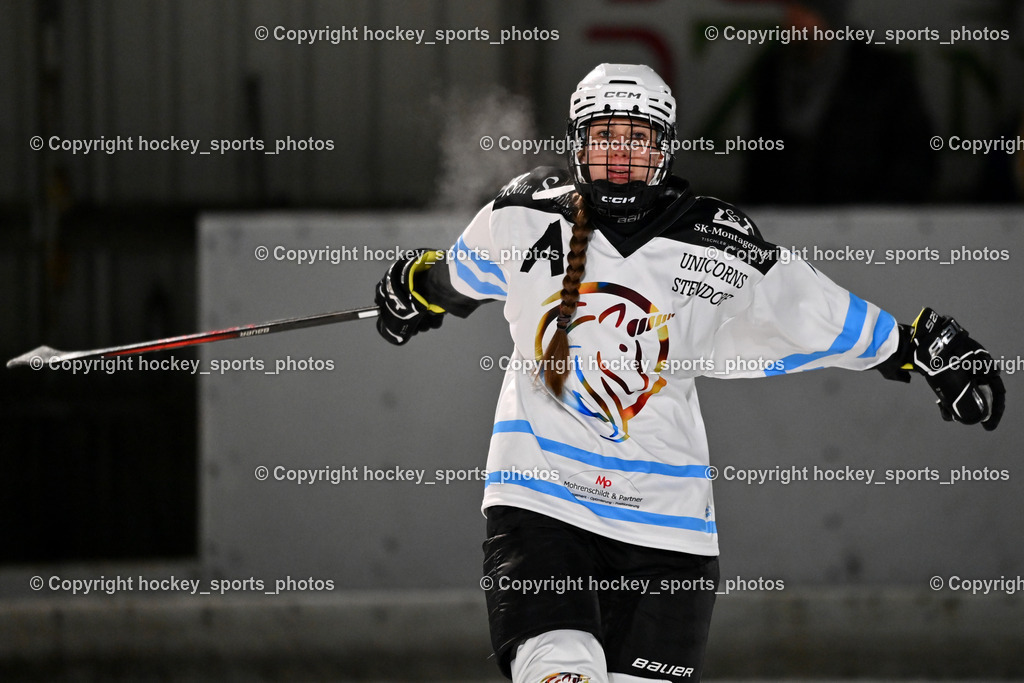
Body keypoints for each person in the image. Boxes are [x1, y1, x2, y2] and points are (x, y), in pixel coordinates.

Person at [373, 64, 1005, 683]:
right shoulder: (524, 214)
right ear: (578, 144)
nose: (620, 155)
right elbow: (456, 278)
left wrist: (920, 345)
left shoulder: (721, 243)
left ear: (664, 147)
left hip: (667, 529)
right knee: (559, 668)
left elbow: (819, 313)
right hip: (543, 505)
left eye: (637, 138)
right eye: (604, 137)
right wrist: (418, 286)